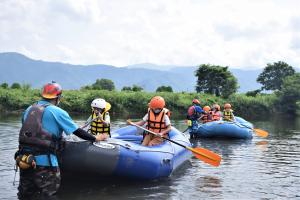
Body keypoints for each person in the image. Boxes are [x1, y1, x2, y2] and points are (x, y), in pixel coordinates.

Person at [15, 81, 103, 199]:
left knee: (26, 195)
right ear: (58, 97)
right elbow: (78, 131)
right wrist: (95, 138)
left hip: (24, 161)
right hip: (45, 164)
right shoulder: (58, 111)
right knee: (48, 195)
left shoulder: (29, 109)